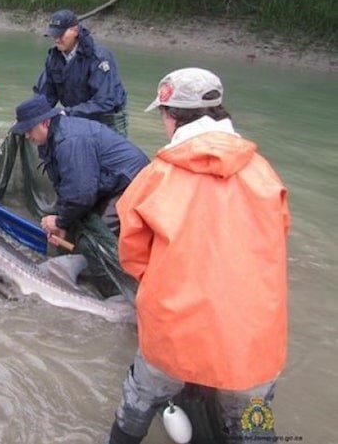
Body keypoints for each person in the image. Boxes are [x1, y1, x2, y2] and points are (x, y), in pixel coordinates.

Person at [106, 68, 290, 444]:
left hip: (176, 334)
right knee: (255, 424)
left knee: (139, 401)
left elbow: (132, 255)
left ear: (170, 116)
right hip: (253, 342)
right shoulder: (264, 173)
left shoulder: (157, 175)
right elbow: (277, 237)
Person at [10, 94, 148, 298]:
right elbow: (69, 187)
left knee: (96, 241)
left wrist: (60, 221)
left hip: (134, 184)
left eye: (29, 129)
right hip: (107, 183)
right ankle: (85, 273)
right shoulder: (53, 137)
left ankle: (120, 297)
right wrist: (64, 223)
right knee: (75, 226)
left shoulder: (70, 140)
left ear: (46, 122)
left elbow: (81, 194)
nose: (27, 136)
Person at [34, 9, 128, 136]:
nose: (57, 40)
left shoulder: (99, 57)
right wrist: (32, 115)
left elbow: (105, 101)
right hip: (75, 115)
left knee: (112, 154)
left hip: (107, 118)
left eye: (60, 35)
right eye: (54, 35)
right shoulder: (54, 57)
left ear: (75, 31)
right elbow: (45, 95)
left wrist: (67, 113)